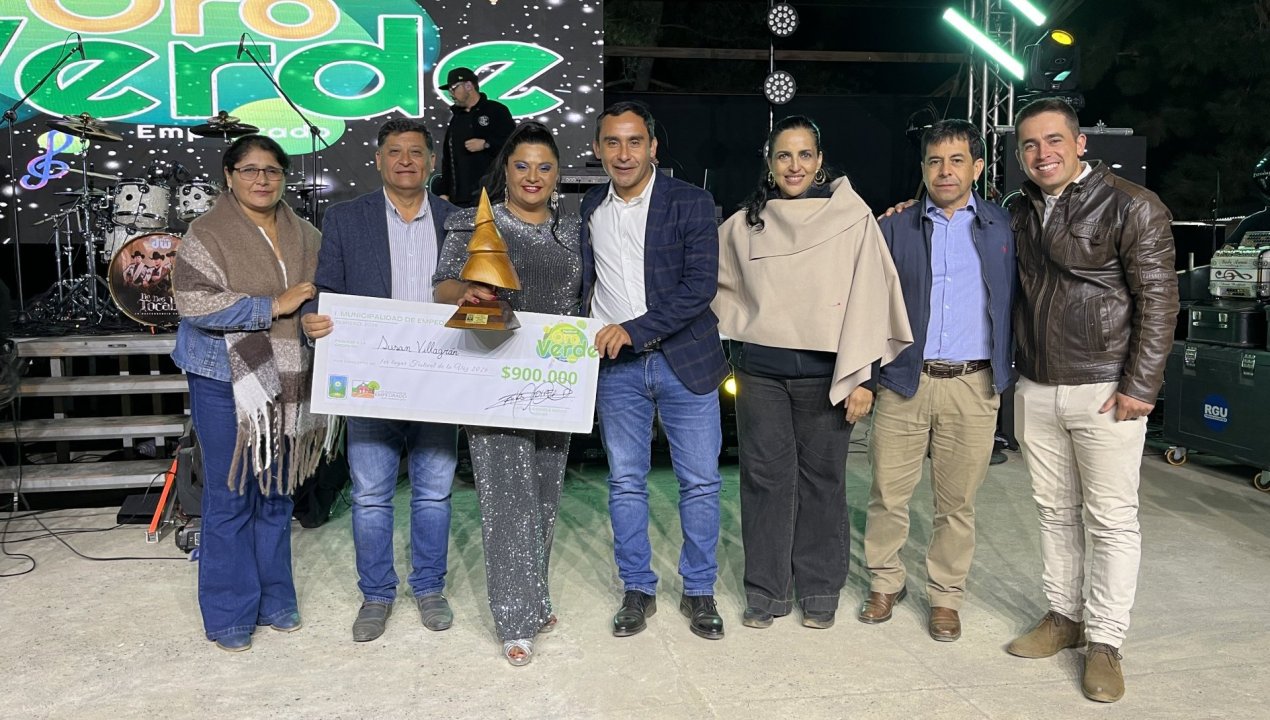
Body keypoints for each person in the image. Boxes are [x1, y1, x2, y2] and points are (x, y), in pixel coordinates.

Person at [1004, 98, 1178, 703]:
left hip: (1105, 388)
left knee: (1111, 520)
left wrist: (1141, 385)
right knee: (1054, 512)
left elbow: (1159, 301)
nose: (1042, 153)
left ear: (1080, 143)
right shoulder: (1019, 208)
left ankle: (1105, 641)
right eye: (1030, 144)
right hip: (1037, 384)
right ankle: (1064, 618)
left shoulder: (1133, 205)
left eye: (1054, 140)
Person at [713, 115, 911, 631]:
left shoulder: (852, 218)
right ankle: (766, 591)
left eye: (804, 155)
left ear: (820, 161)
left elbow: (871, 297)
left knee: (823, 482)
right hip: (761, 374)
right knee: (764, 482)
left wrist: (864, 378)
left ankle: (820, 588)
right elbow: (714, 283)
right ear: (769, 163)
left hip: (827, 375)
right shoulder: (745, 223)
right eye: (784, 155)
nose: (794, 165)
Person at [300, 119, 460, 643]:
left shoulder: (457, 221)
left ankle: (430, 588)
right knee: (370, 495)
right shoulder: (347, 219)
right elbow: (327, 289)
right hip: (370, 381)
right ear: (378, 160)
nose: (405, 161)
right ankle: (376, 594)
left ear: (431, 161)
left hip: (438, 381)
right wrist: (312, 319)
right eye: (395, 152)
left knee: (434, 493)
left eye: (415, 152)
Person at [858, 119, 1015, 642]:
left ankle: (946, 596)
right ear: (923, 169)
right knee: (888, 494)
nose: (945, 171)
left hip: (973, 384)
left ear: (977, 167)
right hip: (905, 380)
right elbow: (867, 305)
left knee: (957, 504)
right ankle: (886, 582)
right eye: (934, 161)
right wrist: (867, 377)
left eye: (956, 161)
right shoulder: (894, 227)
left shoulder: (1004, 229)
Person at [432, 121, 582, 666]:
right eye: (522, 165)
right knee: (507, 499)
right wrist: (467, 289)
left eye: (544, 166)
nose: (532, 176)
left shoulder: (574, 230)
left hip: (556, 382)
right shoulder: (477, 221)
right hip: (492, 374)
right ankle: (515, 619)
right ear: (506, 170)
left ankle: (534, 599)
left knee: (544, 493)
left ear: (558, 174)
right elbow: (442, 286)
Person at [171, 134, 328, 652]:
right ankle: (229, 613)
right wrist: (273, 306)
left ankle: (275, 599)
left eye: (272, 170)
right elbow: (195, 303)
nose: (262, 179)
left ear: (284, 177)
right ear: (229, 176)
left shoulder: (305, 233)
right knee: (232, 491)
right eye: (250, 170)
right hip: (222, 377)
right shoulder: (206, 232)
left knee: (277, 489)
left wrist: (313, 318)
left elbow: (317, 295)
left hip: (288, 376)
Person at [581, 101, 731, 641]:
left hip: (684, 361)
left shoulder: (691, 201)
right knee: (625, 482)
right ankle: (637, 588)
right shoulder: (589, 209)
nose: (624, 154)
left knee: (701, 483)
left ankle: (699, 589)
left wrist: (634, 330)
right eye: (613, 142)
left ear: (653, 147)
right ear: (598, 149)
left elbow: (699, 288)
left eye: (634, 142)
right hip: (617, 370)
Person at [434, 67, 515, 209]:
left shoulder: (496, 111)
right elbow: (448, 159)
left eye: (453, 88)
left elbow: (514, 145)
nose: (451, 93)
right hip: (460, 199)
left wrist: (487, 144)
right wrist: (445, 191)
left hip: (492, 197)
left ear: (469, 86)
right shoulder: (456, 119)